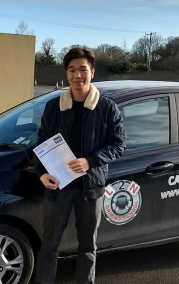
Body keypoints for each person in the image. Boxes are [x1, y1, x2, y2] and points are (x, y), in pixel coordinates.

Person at [33, 47, 126, 284]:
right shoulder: (54, 106)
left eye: (83, 70)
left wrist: (90, 161)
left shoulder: (107, 108)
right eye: (72, 70)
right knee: (49, 245)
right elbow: (41, 143)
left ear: (92, 73)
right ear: (67, 74)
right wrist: (42, 173)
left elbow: (118, 145)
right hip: (58, 188)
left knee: (87, 246)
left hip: (90, 189)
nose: (77, 75)